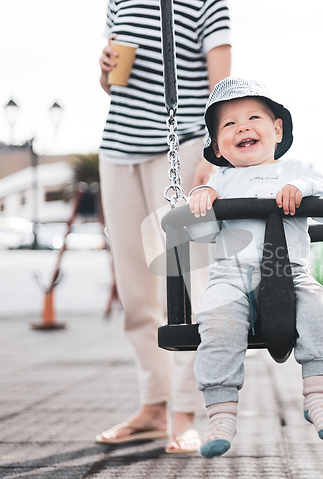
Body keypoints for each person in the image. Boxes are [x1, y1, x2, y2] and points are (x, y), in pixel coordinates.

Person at [95, 0, 231, 454]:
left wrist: (214, 159)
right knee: (135, 288)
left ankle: (187, 413)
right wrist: (104, 70)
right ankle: (153, 406)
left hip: (182, 143)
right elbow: (114, 85)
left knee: (185, 282)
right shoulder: (118, 1)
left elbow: (223, 87)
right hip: (117, 147)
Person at [188, 77, 323, 458]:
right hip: (231, 275)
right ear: (218, 147)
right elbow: (203, 233)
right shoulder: (220, 180)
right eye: (229, 124)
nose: (242, 127)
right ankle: (221, 411)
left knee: (321, 313)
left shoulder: (296, 168)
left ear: (276, 129)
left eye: (253, 117)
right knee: (217, 322)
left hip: (291, 272)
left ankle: (319, 397)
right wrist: (202, 196)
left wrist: (302, 189)